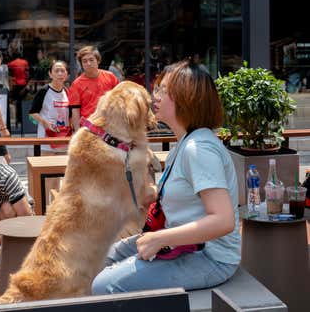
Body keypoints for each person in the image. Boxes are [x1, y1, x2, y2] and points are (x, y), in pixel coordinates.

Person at [91, 59, 240, 294]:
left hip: (210, 257)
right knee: (95, 260)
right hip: (181, 243)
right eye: (157, 88)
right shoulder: (185, 143)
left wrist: (159, 239)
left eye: (163, 90)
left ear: (187, 97)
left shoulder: (198, 149)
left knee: (104, 286)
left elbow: (223, 220)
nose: (154, 96)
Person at [69, 46, 119, 132]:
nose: (88, 63)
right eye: (84, 61)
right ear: (81, 64)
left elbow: (119, 101)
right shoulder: (76, 84)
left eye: (91, 60)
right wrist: (77, 132)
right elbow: (75, 110)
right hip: (88, 128)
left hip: (110, 127)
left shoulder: (111, 77)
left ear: (98, 61)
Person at [29, 60, 70, 154]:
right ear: (50, 74)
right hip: (46, 142)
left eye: (63, 71)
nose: (60, 73)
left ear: (67, 74)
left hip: (63, 141)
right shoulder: (44, 91)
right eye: (56, 71)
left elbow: (70, 116)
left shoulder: (67, 92)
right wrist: (45, 122)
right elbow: (32, 113)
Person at [7, 52, 30, 130]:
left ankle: (18, 119)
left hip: (16, 85)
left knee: (17, 103)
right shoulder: (25, 62)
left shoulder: (11, 64)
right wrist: (27, 83)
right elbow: (27, 74)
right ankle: (23, 119)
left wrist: (11, 88)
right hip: (23, 84)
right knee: (23, 102)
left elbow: (10, 76)